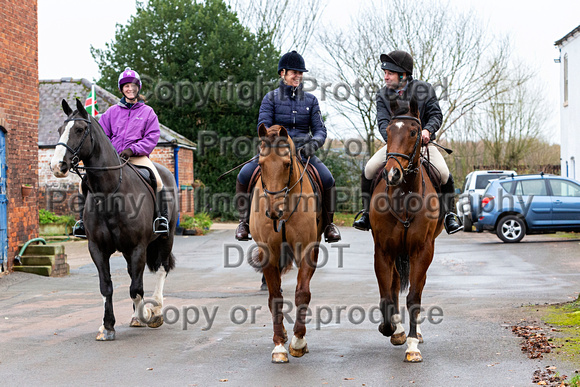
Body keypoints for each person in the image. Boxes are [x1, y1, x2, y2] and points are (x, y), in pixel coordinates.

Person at [234, 50, 341, 244]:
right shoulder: (270, 99)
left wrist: (313, 144)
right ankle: (244, 222)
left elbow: (320, 130)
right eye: (294, 72)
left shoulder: (311, 101)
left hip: (303, 153)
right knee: (244, 175)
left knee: (328, 179)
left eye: (300, 73)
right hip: (276, 153)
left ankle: (328, 225)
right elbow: (264, 127)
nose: (298, 76)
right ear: (282, 73)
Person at [352, 50, 463, 234]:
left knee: (444, 174)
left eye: (390, 73)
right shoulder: (382, 95)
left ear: (403, 74)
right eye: (385, 73)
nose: (385, 77)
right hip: (395, 147)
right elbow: (382, 122)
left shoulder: (425, 89)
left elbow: (436, 115)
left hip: (424, 145)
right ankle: (365, 213)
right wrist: (392, 139)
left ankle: (450, 215)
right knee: (369, 170)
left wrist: (427, 130)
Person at [72, 67, 169, 238]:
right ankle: (81, 222)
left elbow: (152, 136)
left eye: (132, 86)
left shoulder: (148, 112)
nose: (129, 89)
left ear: (138, 88)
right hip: (113, 159)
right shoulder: (111, 112)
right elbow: (103, 136)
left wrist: (133, 150)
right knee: (83, 183)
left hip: (137, 158)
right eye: (126, 86)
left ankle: (161, 219)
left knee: (158, 180)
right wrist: (111, 153)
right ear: (121, 89)